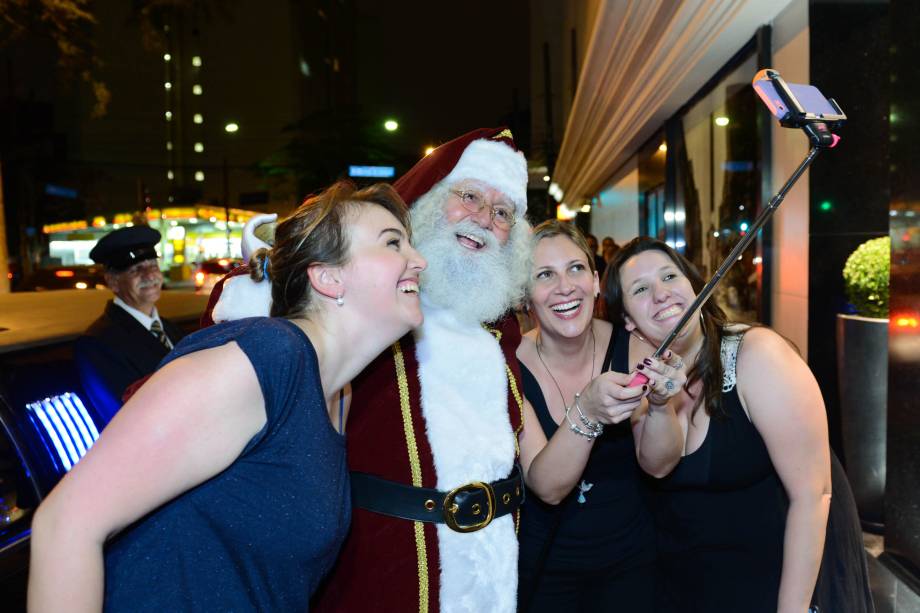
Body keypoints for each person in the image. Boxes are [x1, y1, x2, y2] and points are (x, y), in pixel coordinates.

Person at [206, 128, 638, 612]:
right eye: (469, 196)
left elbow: (545, 479)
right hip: (381, 573)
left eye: (502, 213)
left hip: (493, 577)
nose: (483, 219)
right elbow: (271, 323)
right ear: (430, 200)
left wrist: (591, 410)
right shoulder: (369, 304)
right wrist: (270, 269)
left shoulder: (500, 331)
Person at [28, 181, 427, 611]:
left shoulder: (339, 394)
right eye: (393, 243)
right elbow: (66, 523)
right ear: (328, 277)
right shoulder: (266, 358)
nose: (419, 261)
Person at [604, 236, 837, 613]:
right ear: (628, 320)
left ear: (695, 286)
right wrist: (658, 404)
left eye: (670, 277)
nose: (661, 294)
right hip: (676, 593)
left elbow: (813, 495)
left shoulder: (758, 355)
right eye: (641, 289)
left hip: (765, 591)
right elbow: (654, 465)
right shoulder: (636, 380)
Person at [516, 221, 684, 612]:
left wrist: (661, 404)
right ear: (526, 297)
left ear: (594, 281)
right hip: (543, 570)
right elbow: (547, 486)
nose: (565, 286)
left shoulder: (635, 348)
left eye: (576, 269)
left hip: (631, 564)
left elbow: (658, 466)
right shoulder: (509, 365)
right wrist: (587, 411)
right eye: (545, 275)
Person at [74, 225, 185, 423]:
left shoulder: (171, 329)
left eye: (153, 266)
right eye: (136, 270)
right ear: (113, 282)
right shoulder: (97, 344)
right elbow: (126, 418)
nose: (150, 276)